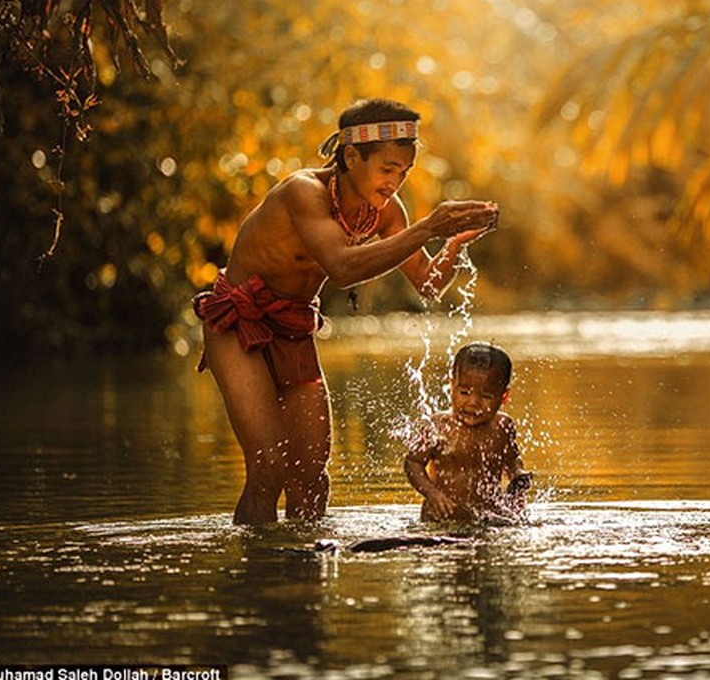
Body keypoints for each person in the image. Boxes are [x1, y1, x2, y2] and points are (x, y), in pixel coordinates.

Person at [193, 98, 499, 525]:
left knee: (312, 479)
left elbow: (427, 284)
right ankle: (257, 585)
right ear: (351, 156)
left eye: (404, 172)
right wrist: (429, 227)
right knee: (269, 470)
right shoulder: (304, 192)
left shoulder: (387, 212)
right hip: (238, 323)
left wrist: (453, 241)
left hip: (295, 328)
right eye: (387, 169)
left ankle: (303, 580)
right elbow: (341, 268)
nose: (395, 182)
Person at [404, 342, 532, 524]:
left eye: (486, 396)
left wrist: (518, 474)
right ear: (451, 386)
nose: (473, 402)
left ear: (503, 397)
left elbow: (511, 460)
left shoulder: (503, 427)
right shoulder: (438, 427)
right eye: (464, 392)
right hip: (440, 521)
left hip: (488, 521)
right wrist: (432, 493)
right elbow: (413, 463)